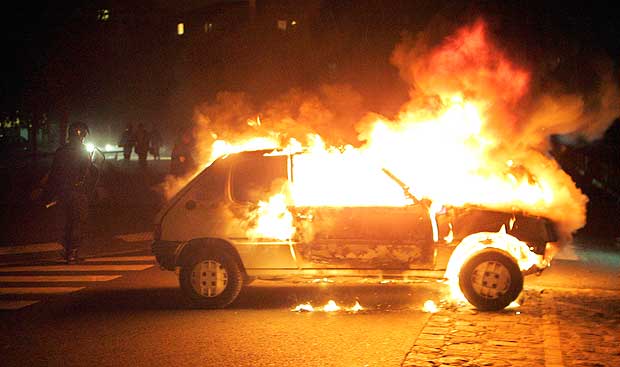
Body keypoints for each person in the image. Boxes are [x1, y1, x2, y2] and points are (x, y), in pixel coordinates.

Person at [39, 122, 95, 263]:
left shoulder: (61, 151)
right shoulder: (83, 151)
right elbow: (88, 174)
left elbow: (54, 173)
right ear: (82, 135)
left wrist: (49, 191)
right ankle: (72, 253)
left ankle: (66, 250)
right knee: (77, 222)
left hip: (62, 192)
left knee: (66, 222)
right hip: (77, 192)